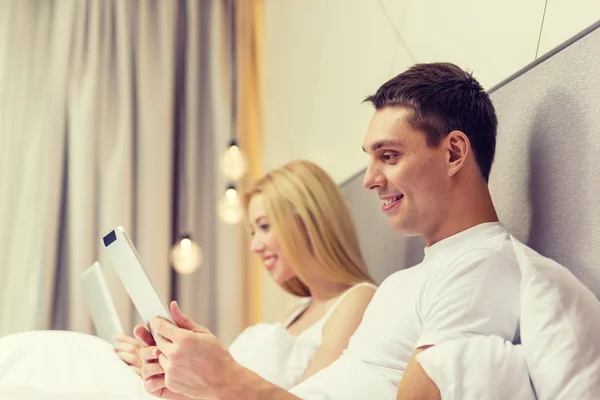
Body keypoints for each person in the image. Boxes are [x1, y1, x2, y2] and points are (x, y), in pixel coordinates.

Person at [137, 62, 522, 400]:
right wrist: (200, 386)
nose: (370, 179)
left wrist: (226, 381)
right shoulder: (404, 283)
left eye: (388, 156)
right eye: (370, 159)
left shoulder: (479, 266)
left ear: (454, 153)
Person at [116, 159, 377, 390]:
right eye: (253, 231)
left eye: (264, 226)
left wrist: (217, 374)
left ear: (309, 221)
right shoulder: (298, 314)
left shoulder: (358, 299)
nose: (254, 246)